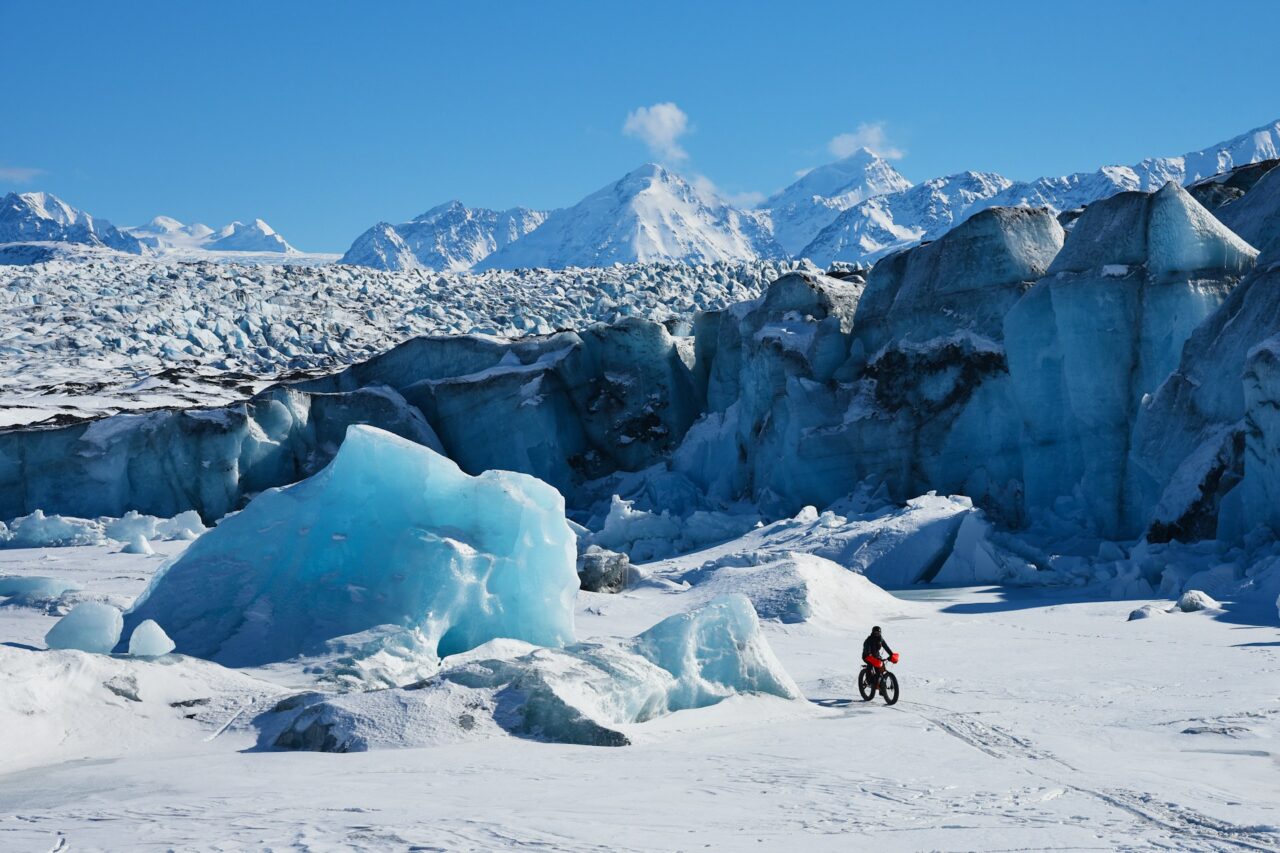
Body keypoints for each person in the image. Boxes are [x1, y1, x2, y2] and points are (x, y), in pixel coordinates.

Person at [862, 626, 894, 690]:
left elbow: (886, 647)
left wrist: (891, 654)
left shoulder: (880, 639)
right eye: (876, 632)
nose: (877, 634)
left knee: (881, 669)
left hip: (876, 656)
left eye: (879, 632)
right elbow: (867, 649)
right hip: (867, 656)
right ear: (873, 632)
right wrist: (869, 655)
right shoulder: (868, 640)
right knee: (870, 665)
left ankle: (881, 688)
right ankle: (869, 681)